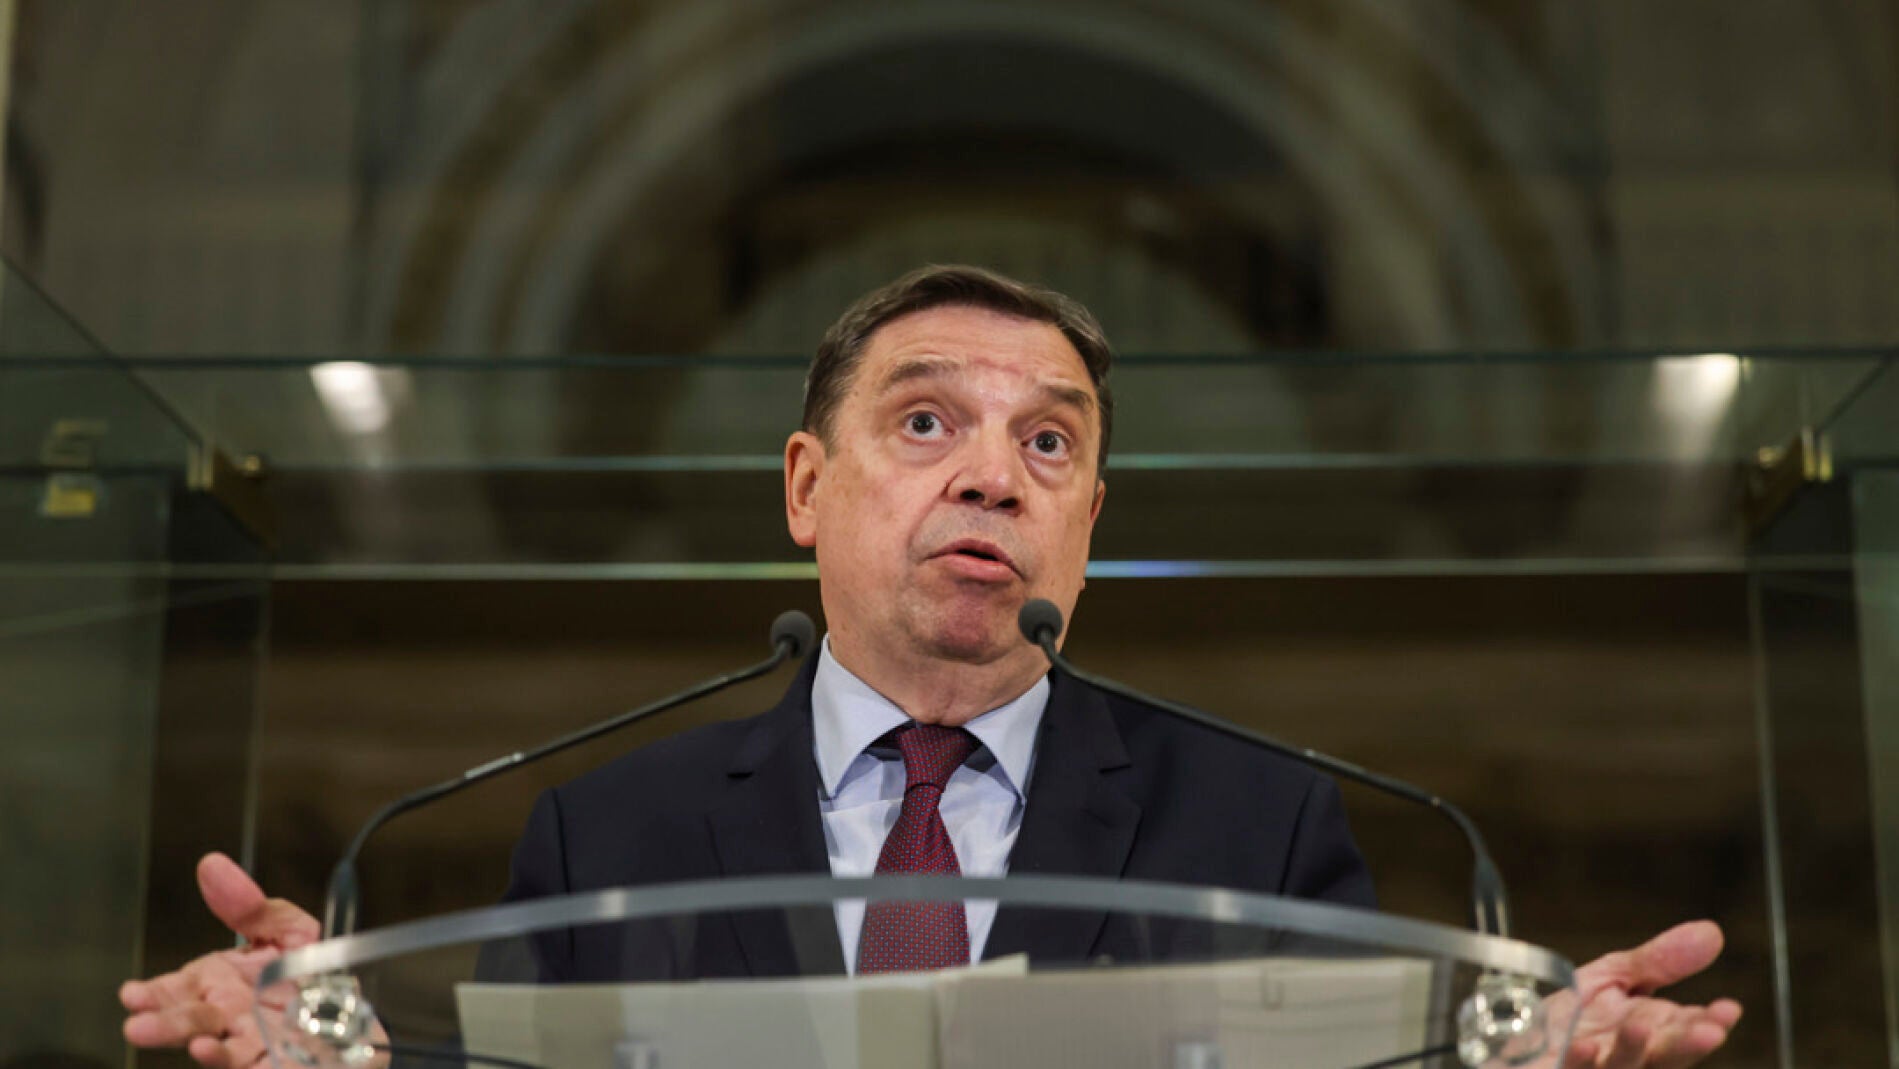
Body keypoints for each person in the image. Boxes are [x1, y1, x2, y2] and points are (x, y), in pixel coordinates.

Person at [121, 266, 1742, 1066]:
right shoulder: (606, 833)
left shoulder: (1262, 824)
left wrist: (1523, 1057)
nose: (993, 476)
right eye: (925, 421)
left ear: (1089, 522)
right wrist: (344, 1046)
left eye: (1049, 443)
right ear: (806, 488)